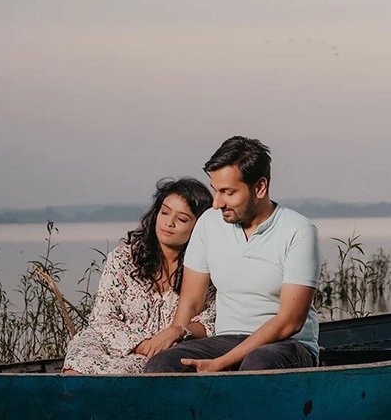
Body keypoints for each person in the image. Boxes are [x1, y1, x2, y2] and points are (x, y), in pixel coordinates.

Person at [143, 136, 321, 373]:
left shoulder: (299, 231)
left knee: (257, 363)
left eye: (228, 192)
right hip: (226, 339)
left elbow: (290, 321)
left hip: (286, 345)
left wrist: (221, 363)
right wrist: (174, 336)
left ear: (259, 187)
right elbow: (191, 302)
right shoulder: (208, 223)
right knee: (162, 364)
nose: (217, 203)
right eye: (215, 191)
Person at [62, 177, 215, 375]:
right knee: (78, 361)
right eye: (165, 212)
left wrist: (176, 333)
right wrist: (144, 345)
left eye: (182, 219)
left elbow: (210, 323)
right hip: (107, 341)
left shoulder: (203, 272)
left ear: (199, 227)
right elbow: (103, 319)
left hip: (157, 356)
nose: (169, 223)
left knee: (124, 372)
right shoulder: (123, 258)